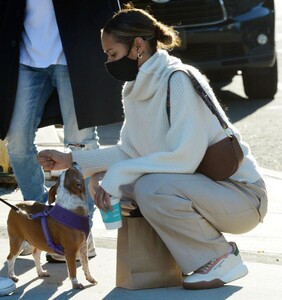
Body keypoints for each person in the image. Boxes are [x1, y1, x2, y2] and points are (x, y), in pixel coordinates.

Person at [38, 5, 268, 290]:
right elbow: (131, 151)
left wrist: (117, 174)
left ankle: (220, 257)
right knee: (125, 187)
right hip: (207, 191)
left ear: (137, 46)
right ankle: (179, 259)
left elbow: (184, 159)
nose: (109, 63)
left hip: (243, 197)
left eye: (113, 54)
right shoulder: (135, 89)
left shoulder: (179, 79)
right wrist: (71, 160)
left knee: (150, 188)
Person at [0, 1, 123, 259]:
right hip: (23, 59)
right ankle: (40, 227)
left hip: (74, 58)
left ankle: (79, 231)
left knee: (80, 142)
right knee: (17, 141)